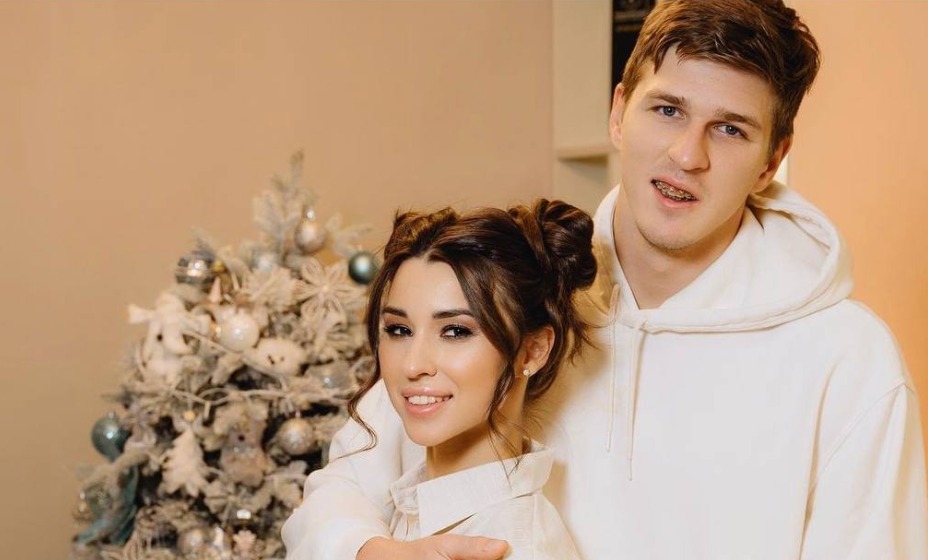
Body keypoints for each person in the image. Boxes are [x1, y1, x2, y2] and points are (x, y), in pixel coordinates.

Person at [282, 1, 928, 558]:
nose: (688, 155)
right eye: (668, 110)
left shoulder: (848, 360)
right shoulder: (521, 291)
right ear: (619, 111)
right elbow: (343, 485)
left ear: (771, 160)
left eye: (730, 129)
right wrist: (364, 549)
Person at [326, 200, 595, 559]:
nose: (413, 364)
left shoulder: (514, 545)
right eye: (399, 329)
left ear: (532, 351)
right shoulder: (416, 507)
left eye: (455, 331)